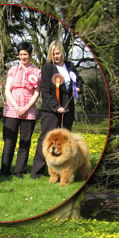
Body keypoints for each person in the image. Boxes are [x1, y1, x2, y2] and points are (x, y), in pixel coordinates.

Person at [31, 40, 83, 179]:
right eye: (53, 54)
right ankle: (37, 172)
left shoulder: (70, 66)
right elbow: (45, 91)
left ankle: (64, 170)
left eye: (58, 53)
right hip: (50, 110)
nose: (56, 56)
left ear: (63, 53)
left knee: (65, 141)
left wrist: (78, 87)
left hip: (68, 109)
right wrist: (56, 107)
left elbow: (79, 80)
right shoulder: (47, 68)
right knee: (46, 139)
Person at [1, 41, 41, 178]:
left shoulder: (37, 71)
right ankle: (5, 169)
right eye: (20, 54)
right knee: (9, 141)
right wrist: (17, 107)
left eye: (25, 54)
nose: (23, 57)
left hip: (28, 110)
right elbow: (7, 90)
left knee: (25, 141)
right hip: (12, 108)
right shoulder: (13, 70)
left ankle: (19, 170)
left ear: (31, 54)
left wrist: (26, 108)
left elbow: (36, 92)